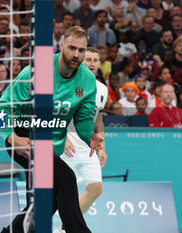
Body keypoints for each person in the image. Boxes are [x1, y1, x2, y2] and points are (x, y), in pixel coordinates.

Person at [0, 26, 97, 233]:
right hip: (24, 138)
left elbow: (83, 118)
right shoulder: (33, 72)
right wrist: (10, 137)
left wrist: (91, 137)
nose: (76, 54)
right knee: (67, 179)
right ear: (61, 46)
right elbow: (1, 107)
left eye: (81, 50)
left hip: (52, 146)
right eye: (72, 48)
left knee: (45, 202)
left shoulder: (87, 80)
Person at [60, 47, 107, 223]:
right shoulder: (70, 83)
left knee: (95, 188)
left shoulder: (102, 89)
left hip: (87, 148)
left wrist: (103, 148)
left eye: (95, 60)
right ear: (80, 60)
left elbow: (99, 120)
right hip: (66, 146)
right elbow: (58, 112)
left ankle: (65, 227)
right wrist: (62, 137)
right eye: (88, 59)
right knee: (56, 195)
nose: (92, 63)